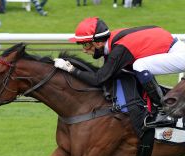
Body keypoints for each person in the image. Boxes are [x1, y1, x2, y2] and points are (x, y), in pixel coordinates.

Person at [54, 17, 185, 127]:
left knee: (140, 65)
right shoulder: (112, 43)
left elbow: (98, 79)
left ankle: (164, 107)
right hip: (171, 47)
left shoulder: (119, 49)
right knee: (134, 67)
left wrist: (71, 69)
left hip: (179, 55)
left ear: (98, 43)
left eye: (86, 45)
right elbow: (105, 75)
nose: (84, 50)